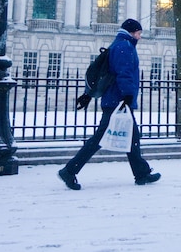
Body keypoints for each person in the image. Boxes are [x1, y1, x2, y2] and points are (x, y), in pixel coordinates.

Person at [58, 18, 161, 189]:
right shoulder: (125, 47)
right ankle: (69, 171)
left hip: (115, 100)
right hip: (118, 102)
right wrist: (128, 95)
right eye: (139, 33)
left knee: (133, 137)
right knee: (100, 139)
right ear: (131, 32)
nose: (140, 37)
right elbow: (124, 73)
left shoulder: (119, 44)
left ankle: (142, 173)